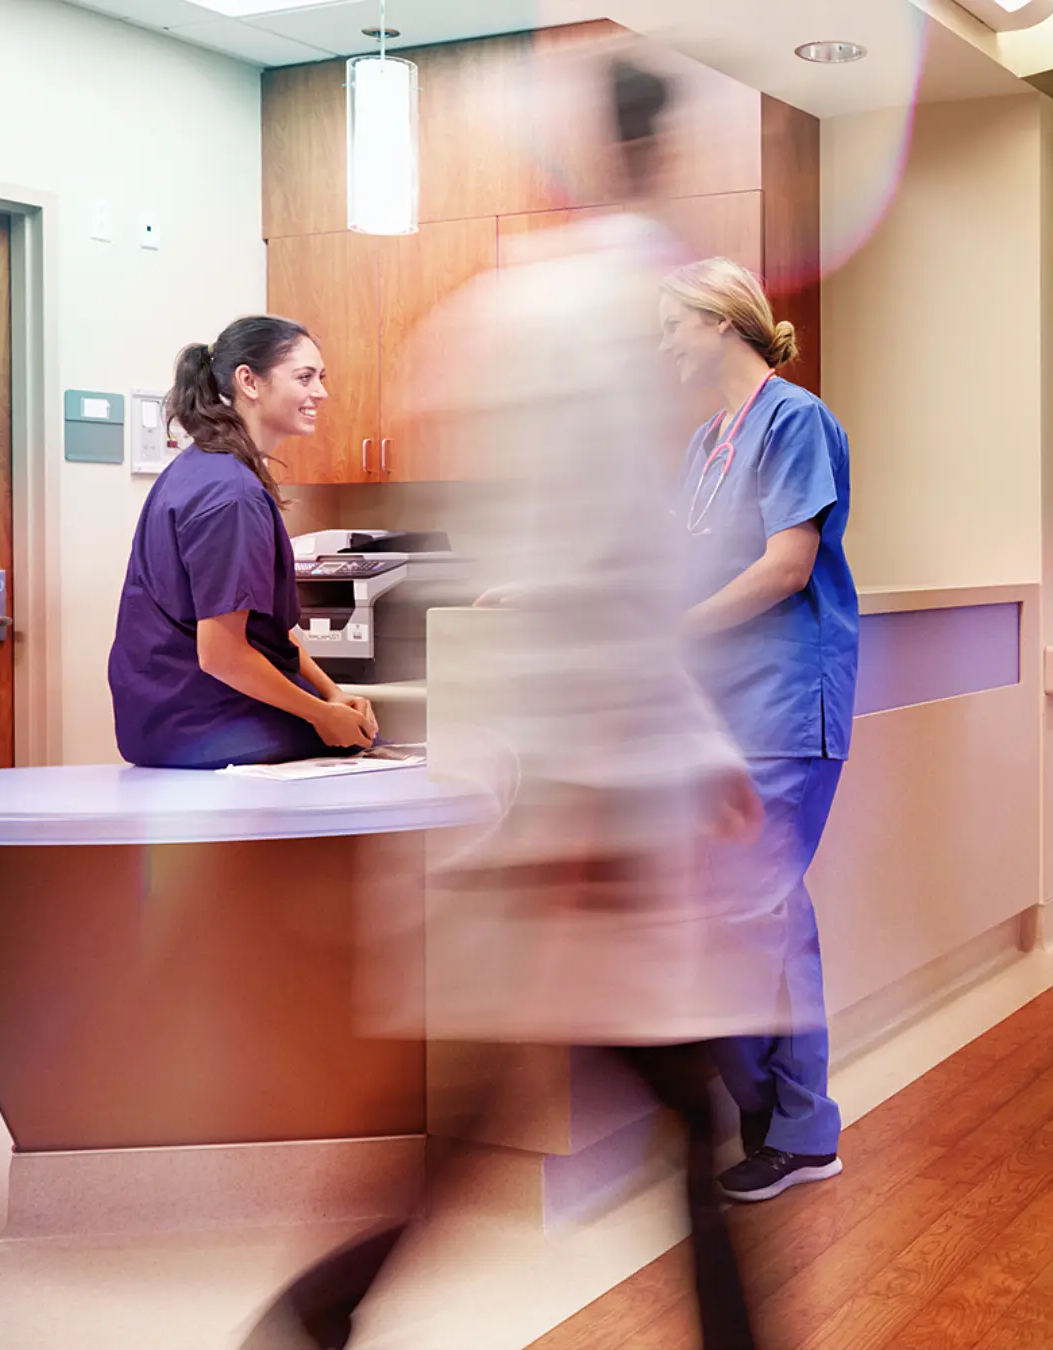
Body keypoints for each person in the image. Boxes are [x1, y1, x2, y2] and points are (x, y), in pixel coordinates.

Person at [242, 53, 772, 1350]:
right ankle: (313, 1313)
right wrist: (646, 773)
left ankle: (316, 1315)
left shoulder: (500, 310)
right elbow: (608, 568)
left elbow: (576, 563)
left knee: (530, 1112)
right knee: (659, 1116)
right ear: (648, 157)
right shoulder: (599, 324)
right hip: (582, 790)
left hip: (557, 779)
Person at [660, 256, 858, 1203]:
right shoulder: (706, 440)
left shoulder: (796, 419)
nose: (662, 342)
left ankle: (797, 1128)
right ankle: (774, 1115)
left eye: (672, 323)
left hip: (784, 699)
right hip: (721, 709)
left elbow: (787, 567)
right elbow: (662, 563)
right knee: (746, 911)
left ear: (721, 321)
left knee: (755, 913)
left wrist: (675, 632)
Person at [107, 317, 378, 768]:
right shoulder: (231, 494)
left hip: (165, 717)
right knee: (364, 746)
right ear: (249, 381)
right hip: (202, 723)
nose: (321, 393)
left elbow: (262, 629)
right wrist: (322, 716)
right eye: (305, 378)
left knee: (353, 728)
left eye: (321, 378)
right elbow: (221, 654)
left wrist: (331, 693)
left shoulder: (202, 467)